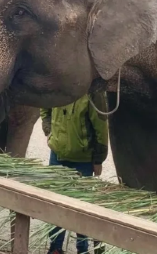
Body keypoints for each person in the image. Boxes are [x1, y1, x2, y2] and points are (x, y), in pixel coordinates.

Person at [41, 92, 109, 254]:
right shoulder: (57, 85)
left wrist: (98, 159)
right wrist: (49, 130)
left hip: (83, 160)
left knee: (81, 207)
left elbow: (101, 128)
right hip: (57, 154)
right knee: (55, 203)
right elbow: (44, 105)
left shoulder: (93, 94)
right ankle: (56, 247)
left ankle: (82, 249)